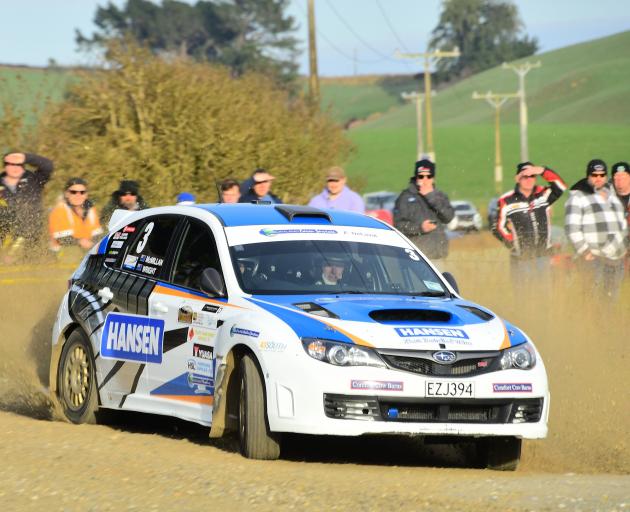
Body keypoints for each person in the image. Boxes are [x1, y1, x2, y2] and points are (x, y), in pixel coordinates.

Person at [493, 162, 567, 281]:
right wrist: (513, 244)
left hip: (543, 256)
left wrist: (542, 171)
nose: (529, 180)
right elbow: (497, 227)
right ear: (517, 179)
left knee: (544, 295)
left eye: (532, 176)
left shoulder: (543, 194)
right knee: (523, 296)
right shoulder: (506, 200)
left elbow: (561, 186)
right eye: (525, 176)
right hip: (521, 259)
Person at [565, 159, 627, 300]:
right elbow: (572, 228)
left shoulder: (611, 197)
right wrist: (584, 251)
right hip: (593, 259)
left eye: (602, 175)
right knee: (592, 299)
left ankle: (607, 322)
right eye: (594, 175)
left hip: (614, 259)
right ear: (588, 176)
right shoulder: (578, 197)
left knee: (611, 300)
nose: (598, 178)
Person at [393, 159, 454, 262]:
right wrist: (420, 228)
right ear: (416, 178)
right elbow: (398, 227)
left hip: (439, 255)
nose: (425, 180)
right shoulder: (405, 198)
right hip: (416, 258)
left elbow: (448, 217)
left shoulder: (440, 196)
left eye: (428, 176)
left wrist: (431, 197)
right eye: (421, 176)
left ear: (433, 179)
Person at [0, 151, 54, 260]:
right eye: (11, 164)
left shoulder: (34, 179)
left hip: (32, 232)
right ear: (5, 166)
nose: (15, 167)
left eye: (19, 164)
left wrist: (26, 157)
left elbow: (48, 166)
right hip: (6, 233)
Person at [48, 178, 103, 253]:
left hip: (86, 251)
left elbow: (97, 234)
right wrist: (80, 242)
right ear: (66, 194)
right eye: (73, 192)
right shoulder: (60, 209)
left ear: (86, 195)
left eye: (82, 192)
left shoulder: (91, 209)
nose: (78, 195)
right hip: (62, 252)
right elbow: (61, 239)